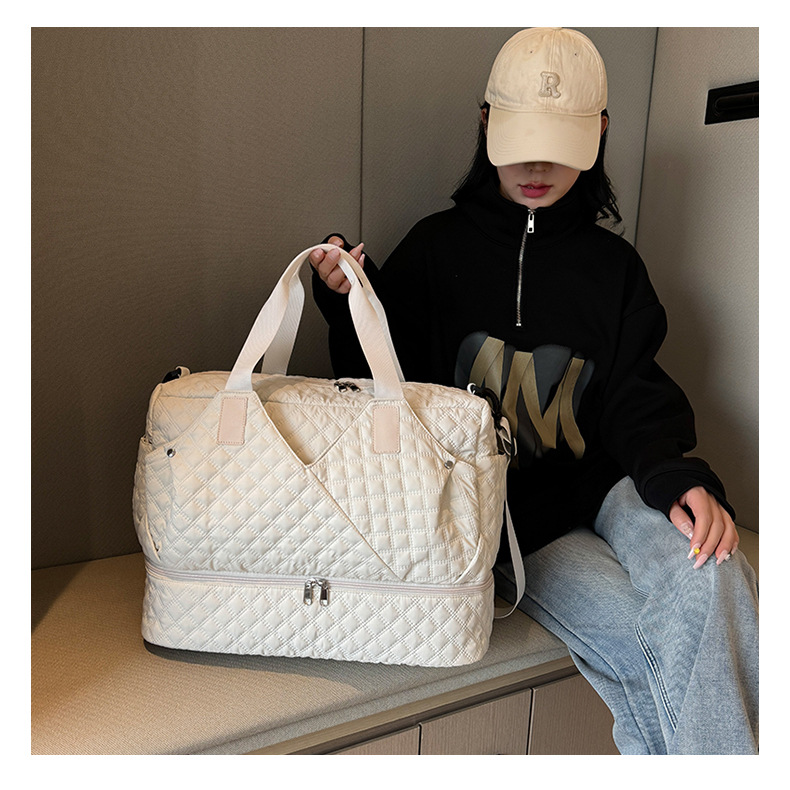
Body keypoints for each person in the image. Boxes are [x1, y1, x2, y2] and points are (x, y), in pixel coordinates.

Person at [309, 27, 758, 755]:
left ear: (600, 133)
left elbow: (634, 393)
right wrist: (345, 298)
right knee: (647, 647)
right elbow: (388, 387)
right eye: (520, 141)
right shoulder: (434, 249)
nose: (538, 165)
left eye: (560, 144)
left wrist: (678, 477)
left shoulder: (615, 268)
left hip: (607, 488)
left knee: (714, 568)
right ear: (487, 124)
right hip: (512, 525)